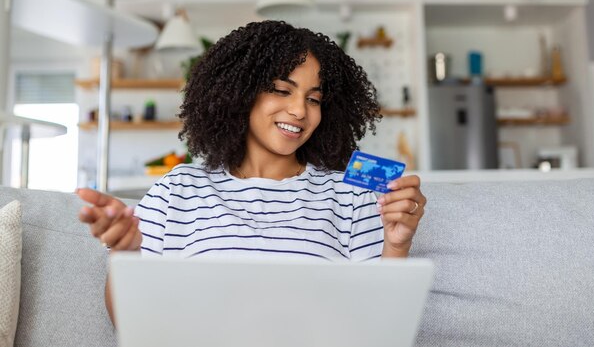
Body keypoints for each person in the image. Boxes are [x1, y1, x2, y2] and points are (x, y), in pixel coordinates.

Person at [77, 20, 426, 324]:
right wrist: (125, 254)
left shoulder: (350, 195)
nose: (299, 111)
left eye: (314, 99)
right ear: (240, 94)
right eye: (281, 90)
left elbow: (378, 326)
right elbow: (131, 323)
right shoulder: (177, 190)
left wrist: (397, 245)